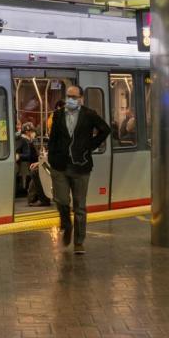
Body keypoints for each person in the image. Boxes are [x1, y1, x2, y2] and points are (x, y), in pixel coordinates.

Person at [47, 85, 110, 254]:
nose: (71, 100)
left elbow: (105, 130)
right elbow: (52, 139)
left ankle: (79, 242)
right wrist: (51, 158)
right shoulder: (58, 115)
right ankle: (67, 226)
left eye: (74, 97)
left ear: (81, 98)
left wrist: (89, 146)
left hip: (81, 167)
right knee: (61, 200)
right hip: (59, 166)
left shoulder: (89, 115)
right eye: (68, 96)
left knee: (80, 206)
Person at [16, 123, 49, 206]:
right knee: (36, 172)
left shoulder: (21, 140)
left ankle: (39, 199)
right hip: (43, 163)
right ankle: (35, 198)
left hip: (49, 163)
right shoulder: (28, 142)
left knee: (36, 173)